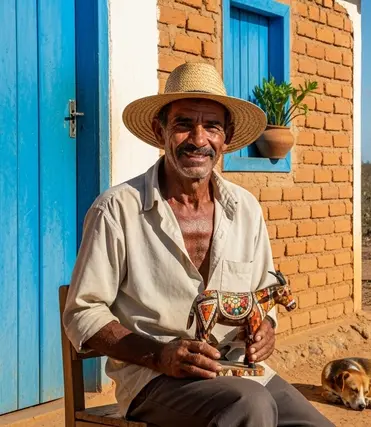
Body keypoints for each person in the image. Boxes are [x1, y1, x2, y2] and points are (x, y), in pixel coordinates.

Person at [62, 62, 335, 427]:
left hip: (240, 372)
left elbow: (264, 295)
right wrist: (159, 354)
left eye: (212, 126)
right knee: (250, 407)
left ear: (226, 137)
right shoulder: (116, 210)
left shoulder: (246, 210)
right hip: (154, 380)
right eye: (184, 124)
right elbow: (83, 313)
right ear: (160, 131)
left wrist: (266, 328)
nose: (198, 138)